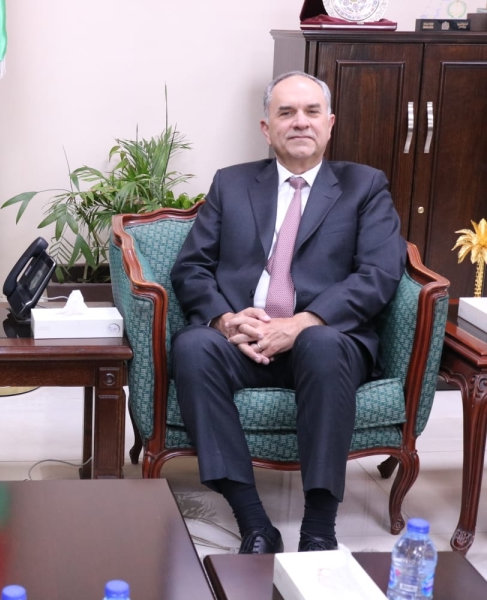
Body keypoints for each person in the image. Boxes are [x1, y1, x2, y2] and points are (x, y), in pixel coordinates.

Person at [169, 72, 406, 554]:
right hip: (246, 339)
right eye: (286, 112)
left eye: (311, 111)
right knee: (193, 346)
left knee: (321, 343)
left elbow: (380, 273)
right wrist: (225, 320)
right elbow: (191, 267)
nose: (300, 122)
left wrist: (304, 322)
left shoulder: (364, 186)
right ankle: (254, 523)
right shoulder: (232, 183)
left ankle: (319, 529)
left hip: (326, 342)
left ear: (330, 123)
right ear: (266, 127)